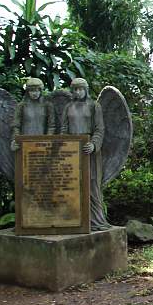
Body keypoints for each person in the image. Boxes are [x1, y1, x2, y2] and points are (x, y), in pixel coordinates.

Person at [60, 78, 109, 231]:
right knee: (72, 183)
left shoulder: (94, 106)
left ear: (86, 90)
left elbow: (99, 128)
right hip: (71, 150)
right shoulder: (68, 107)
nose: (78, 92)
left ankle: (96, 220)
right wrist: (64, 145)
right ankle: (73, 219)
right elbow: (63, 129)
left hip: (90, 151)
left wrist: (94, 144)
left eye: (81, 89)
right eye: (75, 89)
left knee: (92, 184)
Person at [10, 77, 55, 151]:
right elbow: (16, 125)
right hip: (25, 142)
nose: (35, 93)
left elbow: (51, 126)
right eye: (32, 90)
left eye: (37, 90)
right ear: (28, 91)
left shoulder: (47, 106)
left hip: (41, 143)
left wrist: (48, 139)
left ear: (41, 91)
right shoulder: (22, 106)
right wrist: (15, 140)